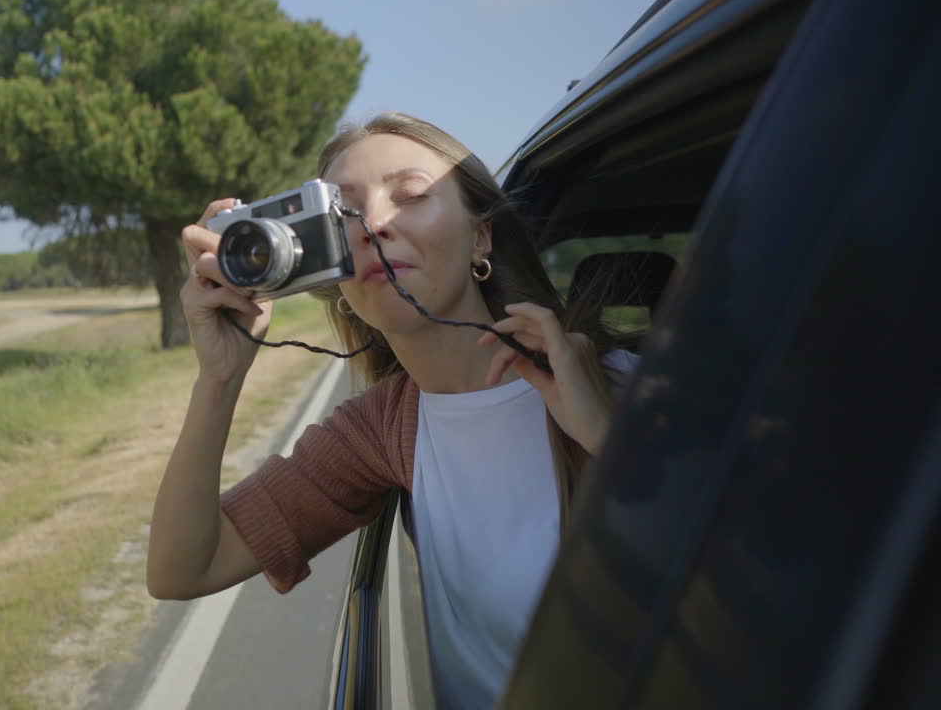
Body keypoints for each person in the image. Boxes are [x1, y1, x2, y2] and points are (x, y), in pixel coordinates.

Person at [148, 112, 636, 708]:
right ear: (325, 265)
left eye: (410, 196)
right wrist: (219, 379)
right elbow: (181, 569)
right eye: (343, 215)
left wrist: (608, 436)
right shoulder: (383, 427)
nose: (374, 224)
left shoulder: (624, 386)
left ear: (481, 237)